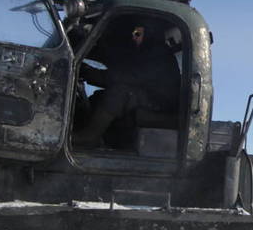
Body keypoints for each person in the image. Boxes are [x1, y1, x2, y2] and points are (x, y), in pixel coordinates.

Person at [75, 20, 181, 150]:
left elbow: (127, 77)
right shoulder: (147, 53)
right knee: (101, 96)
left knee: (119, 93)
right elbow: (122, 71)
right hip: (153, 97)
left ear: (149, 34)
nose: (133, 36)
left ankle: (90, 137)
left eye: (137, 33)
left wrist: (87, 72)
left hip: (160, 103)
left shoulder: (158, 55)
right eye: (133, 33)